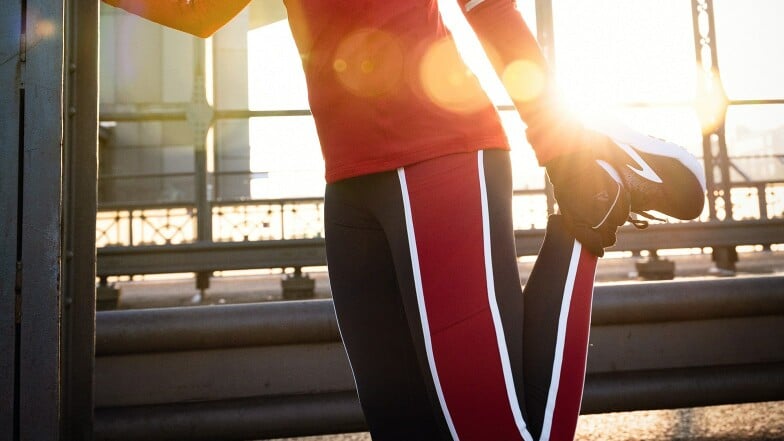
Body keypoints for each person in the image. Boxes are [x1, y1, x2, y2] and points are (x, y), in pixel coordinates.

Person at [102, 1, 707, 439]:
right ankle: (598, 191)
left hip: (439, 155)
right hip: (348, 185)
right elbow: (200, 9)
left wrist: (557, 139)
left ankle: (593, 206)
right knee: (403, 430)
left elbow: (485, 4)